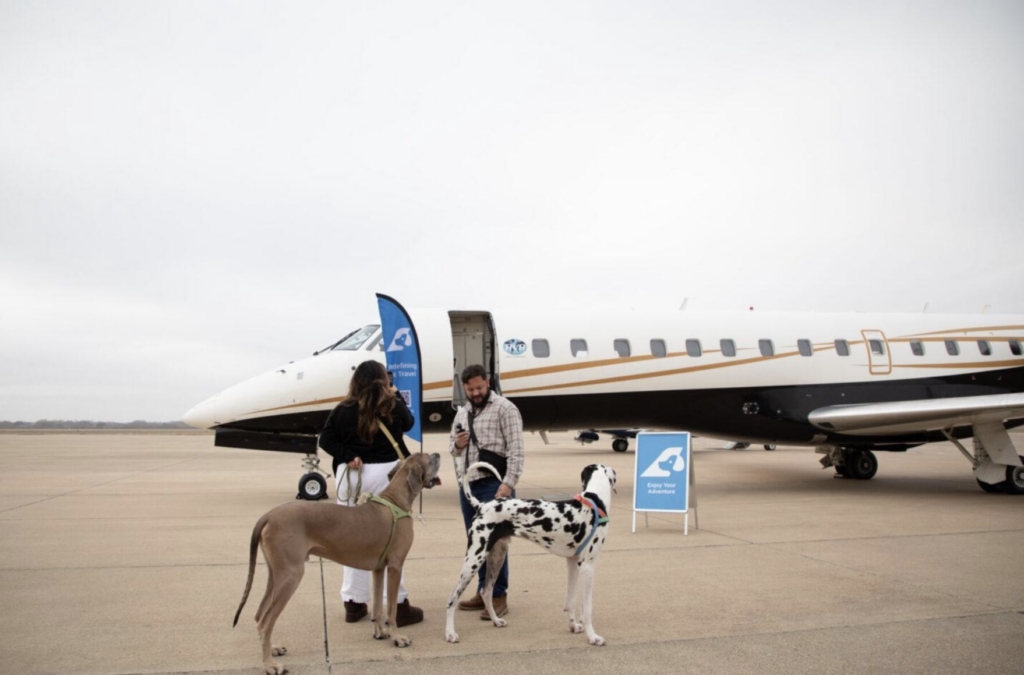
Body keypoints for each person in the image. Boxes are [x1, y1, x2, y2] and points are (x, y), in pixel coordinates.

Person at [318, 360, 424, 627]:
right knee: (391, 543)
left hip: (350, 477)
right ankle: (398, 604)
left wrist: (349, 455)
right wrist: (395, 393)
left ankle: (353, 603)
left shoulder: (342, 409)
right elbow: (409, 423)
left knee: (351, 540)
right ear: (382, 380)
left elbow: (326, 440)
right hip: (386, 477)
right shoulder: (390, 405)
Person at [449, 363, 525, 619]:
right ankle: (484, 591)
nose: (475, 393)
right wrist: (458, 445)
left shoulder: (505, 408)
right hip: (469, 487)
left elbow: (516, 449)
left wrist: (508, 483)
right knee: (477, 541)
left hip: (495, 485)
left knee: (498, 542)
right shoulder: (462, 413)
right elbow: (453, 449)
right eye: (470, 389)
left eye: (479, 387)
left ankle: (498, 595)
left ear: (488, 382)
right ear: (464, 388)